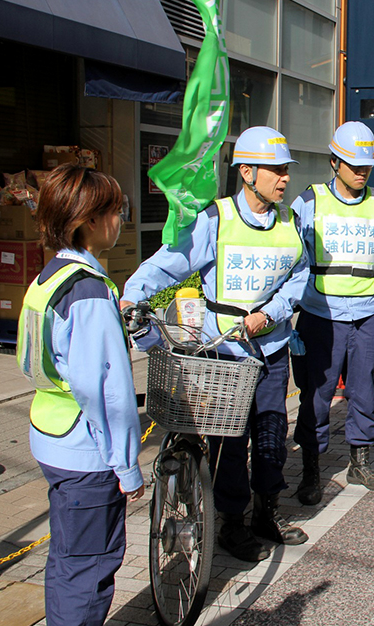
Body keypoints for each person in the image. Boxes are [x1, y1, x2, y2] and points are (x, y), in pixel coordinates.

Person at [121, 126, 310, 563]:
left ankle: (267, 512)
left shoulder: (291, 222)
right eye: (276, 170)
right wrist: (134, 294)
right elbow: (169, 262)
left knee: (271, 433)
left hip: (272, 346)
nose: (284, 178)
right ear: (247, 172)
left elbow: (299, 277)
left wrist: (273, 313)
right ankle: (231, 522)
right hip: (223, 350)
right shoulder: (215, 220)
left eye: (286, 170)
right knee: (230, 439)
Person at [16, 165, 144, 625]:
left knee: (67, 561)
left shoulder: (48, 277)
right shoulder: (88, 290)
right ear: (88, 220)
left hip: (50, 434)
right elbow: (107, 393)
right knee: (89, 570)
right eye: (115, 211)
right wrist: (128, 467)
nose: (120, 221)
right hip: (85, 450)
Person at [290, 121, 374, 501]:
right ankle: (312, 471)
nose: (361, 171)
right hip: (320, 314)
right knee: (315, 395)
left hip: (366, 312)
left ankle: (361, 461)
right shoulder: (308, 203)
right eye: (353, 164)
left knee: (365, 389)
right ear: (334, 162)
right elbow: (295, 258)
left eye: (367, 165)